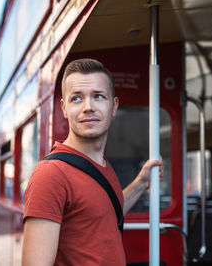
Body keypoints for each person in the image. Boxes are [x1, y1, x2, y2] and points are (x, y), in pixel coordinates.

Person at [22, 58, 162, 266]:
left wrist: (141, 183)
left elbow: (101, 217)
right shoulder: (51, 175)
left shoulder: (103, 166)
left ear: (113, 106)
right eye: (77, 99)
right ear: (64, 108)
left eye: (98, 96)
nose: (88, 107)